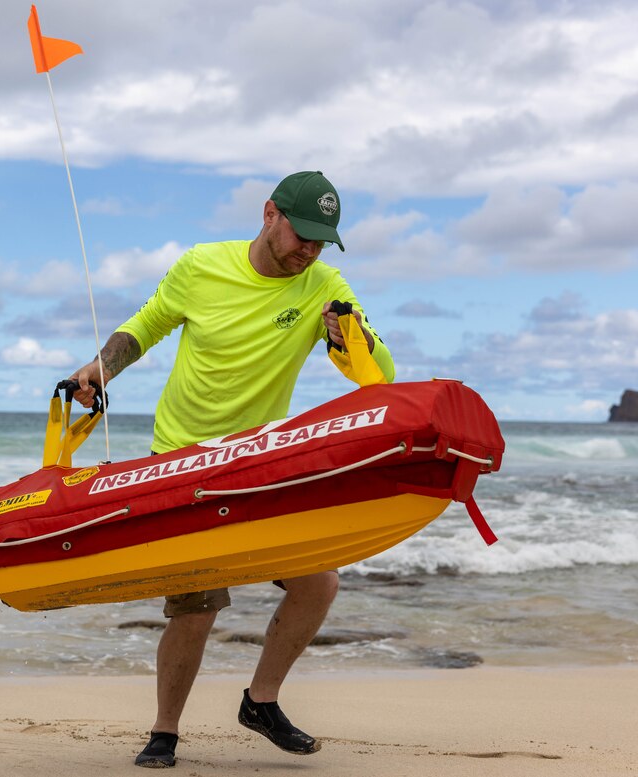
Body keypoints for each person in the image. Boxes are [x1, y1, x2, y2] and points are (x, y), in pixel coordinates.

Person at [67, 171, 395, 768]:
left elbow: (379, 378)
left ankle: (260, 702)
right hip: (182, 464)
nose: (310, 251)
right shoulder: (201, 266)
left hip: (260, 462)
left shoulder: (323, 283)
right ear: (270, 214)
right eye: (304, 235)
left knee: (318, 583)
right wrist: (99, 369)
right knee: (198, 608)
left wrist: (346, 334)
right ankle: (165, 731)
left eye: (323, 242)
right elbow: (147, 325)